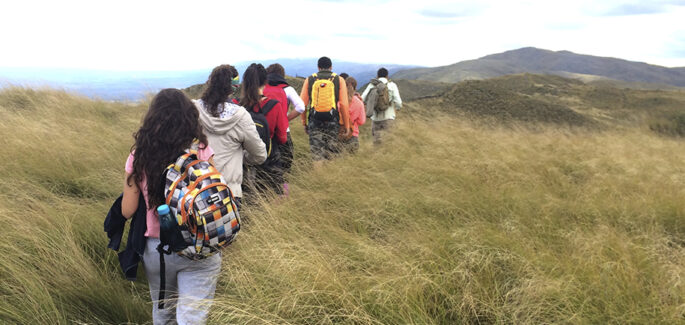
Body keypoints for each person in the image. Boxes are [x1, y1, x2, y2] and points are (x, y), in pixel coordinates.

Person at [121, 88, 220, 324]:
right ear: (189, 118)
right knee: (192, 316)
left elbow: (127, 210)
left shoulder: (139, 155)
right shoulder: (202, 150)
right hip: (201, 244)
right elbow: (214, 194)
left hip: (158, 248)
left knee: (163, 313)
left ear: (153, 119)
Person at [193, 64, 267, 208]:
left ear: (210, 83)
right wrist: (242, 156)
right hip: (228, 192)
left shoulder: (192, 109)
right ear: (233, 88)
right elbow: (260, 155)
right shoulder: (241, 116)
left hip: (194, 190)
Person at [241, 63, 288, 195]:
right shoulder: (274, 106)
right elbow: (282, 138)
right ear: (265, 81)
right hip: (269, 159)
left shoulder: (238, 106)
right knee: (272, 196)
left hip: (243, 160)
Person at [299, 56, 351, 165]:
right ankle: (330, 177)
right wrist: (346, 125)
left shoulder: (310, 79)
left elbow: (302, 104)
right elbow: (343, 105)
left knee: (317, 154)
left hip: (314, 120)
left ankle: (318, 177)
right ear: (331, 67)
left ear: (318, 67)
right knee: (331, 152)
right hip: (333, 120)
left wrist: (305, 123)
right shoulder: (339, 79)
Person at [264, 63, 305, 196]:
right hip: (283, 132)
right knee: (285, 163)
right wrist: (285, 119)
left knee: (265, 164)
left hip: (263, 133)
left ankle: (265, 193)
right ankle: (283, 192)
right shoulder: (287, 89)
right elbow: (300, 107)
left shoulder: (261, 87)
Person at [361, 67, 402, 145]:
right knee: (389, 144)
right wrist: (397, 108)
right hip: (389, 118)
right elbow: (398, 102)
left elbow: (362, 98)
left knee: (377, 144)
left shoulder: (372, 85)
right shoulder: (392, 85)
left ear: (377, 76)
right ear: (387, 76)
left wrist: (370, 104)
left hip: (375, 119)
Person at [342, 76, 366, 153]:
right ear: (355, 87)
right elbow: (361, 121)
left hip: (338, 133)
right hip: (352, 134)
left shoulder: (338, 100)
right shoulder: (359, 102)